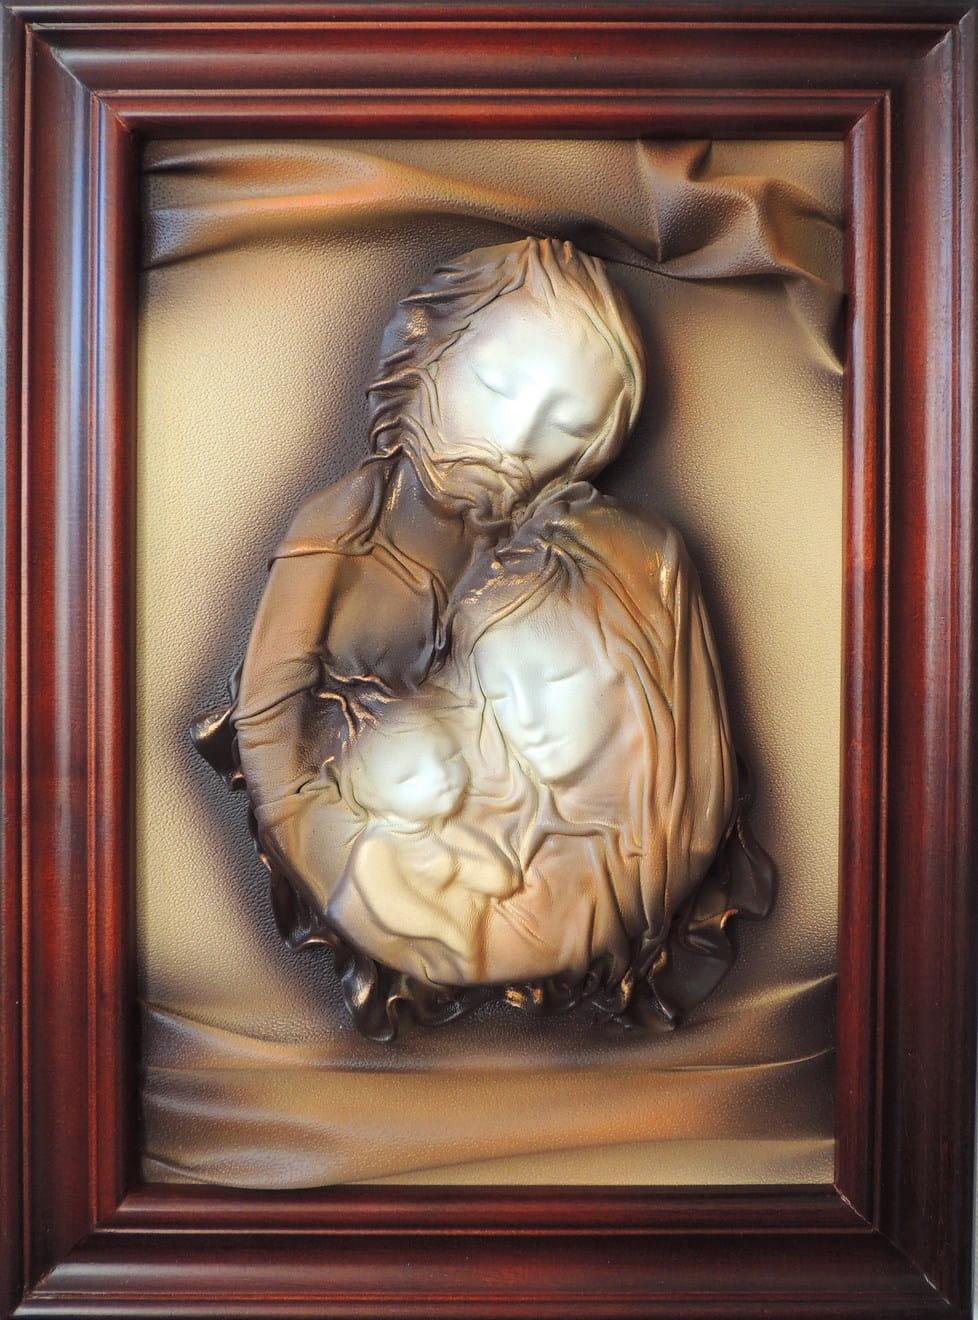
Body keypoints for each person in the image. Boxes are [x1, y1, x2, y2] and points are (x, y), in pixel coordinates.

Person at [192, 236, 645, 951]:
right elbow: (270, 707)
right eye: (497, 384)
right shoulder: (340, 528)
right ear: (428, 351)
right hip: (351, 811)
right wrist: (312, 843)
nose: (515, 438)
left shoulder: (534, 551)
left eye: (567, 427)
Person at [444, 480, 770, 1018]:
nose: (524, 719)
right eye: (498, 694)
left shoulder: (683, 832)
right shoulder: (485, 852)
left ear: (637, 668)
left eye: (555, 680)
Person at [326, 698, 519, 986]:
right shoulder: (378, 846)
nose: (441, 776)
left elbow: (503, 881)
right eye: (409, 776)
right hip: (400, 948)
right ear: (371, 795)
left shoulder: (450, 830)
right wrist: (447, 934)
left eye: (450, 757)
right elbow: (391, 909)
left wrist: (461, 866)